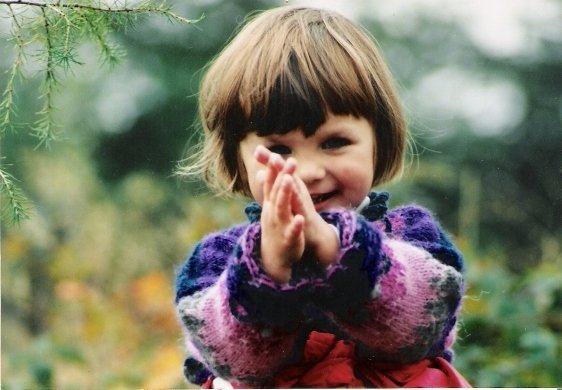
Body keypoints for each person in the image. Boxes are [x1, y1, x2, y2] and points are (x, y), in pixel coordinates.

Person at [174, 5, 471, 388]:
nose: (309, 171)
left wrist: (341, 251)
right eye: (279, 150)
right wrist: (268, 271)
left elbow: (420, 325)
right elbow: (236, 362)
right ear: (238, 158)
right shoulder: (216, 261)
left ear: (378, 144)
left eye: (334, 142)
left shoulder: (410, 234)